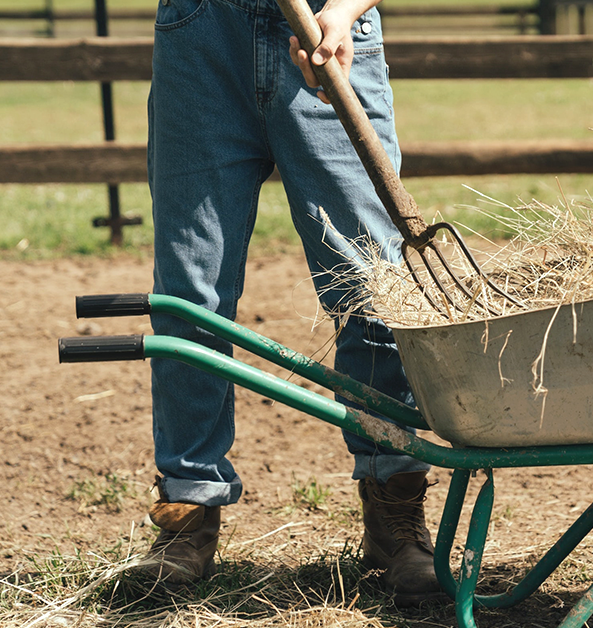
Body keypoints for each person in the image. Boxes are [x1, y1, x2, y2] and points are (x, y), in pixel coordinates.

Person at [136, 0, 443, 604]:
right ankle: (187, 514)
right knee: (189, 296)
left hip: (329, 27)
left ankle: (394, 512)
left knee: (371, 288)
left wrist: (345, 11)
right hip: (202, 35)